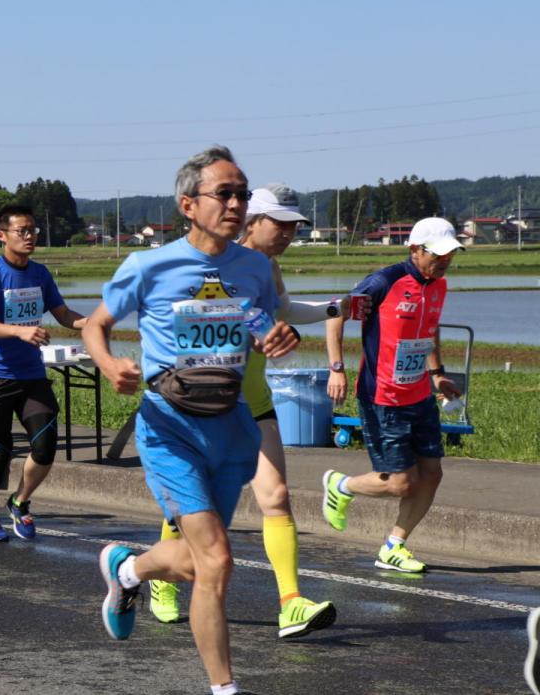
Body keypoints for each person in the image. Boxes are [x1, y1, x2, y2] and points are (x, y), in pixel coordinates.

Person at [82, 147, 297, 695]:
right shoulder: (149, 266)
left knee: (200, 562)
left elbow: (257, 320)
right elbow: (94, 325)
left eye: (242, 194)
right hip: (170, 428)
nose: (236, 204)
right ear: (188, 204)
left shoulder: (254, 268)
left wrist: (274, 337)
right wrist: (110, 365)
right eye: (224, 193)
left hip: (231, 427)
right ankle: (224, 688)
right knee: (217, 560)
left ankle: (126, 571)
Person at [145, 184, 343, 638]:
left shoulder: (267, 267)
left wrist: (337, 306)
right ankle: (161, 581)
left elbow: (283, 309)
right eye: (281, 224)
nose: (289, 233)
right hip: (203, 406)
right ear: (253, 222)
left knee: (276, 497)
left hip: (255, 403)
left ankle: (291, 604)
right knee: (192, 506)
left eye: (295, 226)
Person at [322, 217, 464, 574]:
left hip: (420, 395)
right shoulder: (384, 282)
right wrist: (336, 368)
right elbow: (335, 313)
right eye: (438, 254)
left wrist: (437, 375)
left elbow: (428, 330)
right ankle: (340, 485)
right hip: (382, 396)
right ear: (415, 249)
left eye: (450, 254)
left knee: (431, 474)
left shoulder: (438, 285)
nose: (445, 261)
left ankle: (393, 546)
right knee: (401, 482)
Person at [0, 204, 86, 542]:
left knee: (46, 444)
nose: (30, 236)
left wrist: (95, 323)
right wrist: (19, 331)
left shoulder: (40, 274)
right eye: (22, 230)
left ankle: (19, 501)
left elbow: (63, 314)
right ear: (2, 236)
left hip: (31, 375)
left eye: (33, 229)